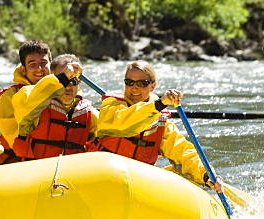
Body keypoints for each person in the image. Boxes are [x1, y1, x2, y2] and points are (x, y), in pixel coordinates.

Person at [96, 61, 224, 193]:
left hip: (137, 181)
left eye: (142, 83)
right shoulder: (110, 105)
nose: (134, 88)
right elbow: (125, 123)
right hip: (103, 174)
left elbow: (182, 152)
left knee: (183, 174)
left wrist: (206, 174)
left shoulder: (161, 121)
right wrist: (159, 105)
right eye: (129, 82)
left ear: (153, 86)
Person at [13, 53, 98, 159]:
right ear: (51, 78)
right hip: (36, 170)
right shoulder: (30, 99)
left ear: (79, 83)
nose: (68, 87)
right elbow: (27, 105)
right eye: (65, 81)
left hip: (71, 172)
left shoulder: (90, 114)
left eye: (73, 81)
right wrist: (61, 79)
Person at [0, 40, 51, 164]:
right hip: (23, 163)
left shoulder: (64, 92)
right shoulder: (9, 97)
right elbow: (13, 138)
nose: (39, 69)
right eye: (32, 64)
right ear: (23, 69)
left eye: (43, 63)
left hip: (60, 162)